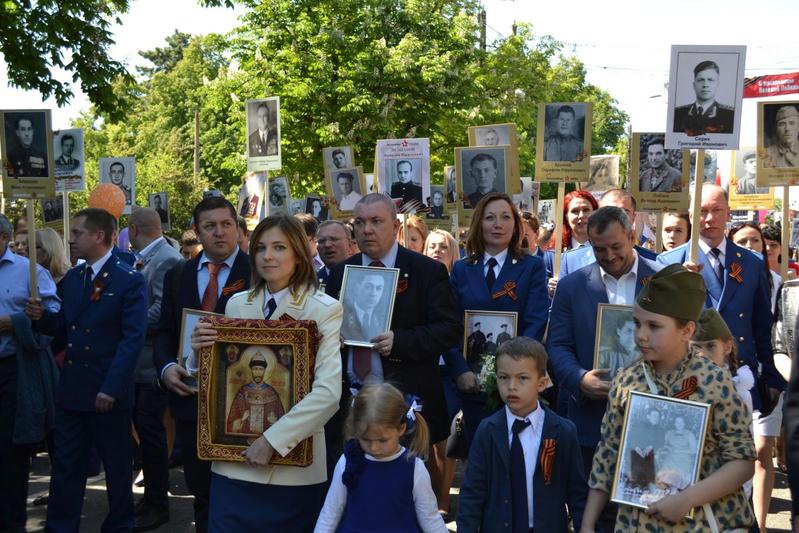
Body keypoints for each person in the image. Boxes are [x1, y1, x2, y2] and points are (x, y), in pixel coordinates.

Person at [191, 214, 343, 531]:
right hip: (234, 464)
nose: (268, 256)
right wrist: (199, 353)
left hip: (294, 471)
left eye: (279, 247)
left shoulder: (324, 308)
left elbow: (328, 394)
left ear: (299, 254)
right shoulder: (235, 304)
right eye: (260, 248)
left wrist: (272, 441)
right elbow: (222, 382)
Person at [581, 265, 756, 532]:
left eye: (654, 326)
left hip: (701, 523)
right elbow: (608, 452)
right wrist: (588, 522)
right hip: (636, 523)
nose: (641, 334)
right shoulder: (627, 380)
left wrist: (687, 499)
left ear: (687, 331)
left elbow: (743, 462)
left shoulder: (714, 381)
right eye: (637, 323)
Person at [658, 185, 783, 531]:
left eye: (715, 210)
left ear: (729, 213)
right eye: (701, 211)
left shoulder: (752, 262)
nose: (708, 219)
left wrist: (767, 379)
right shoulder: (669, 262)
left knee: (736, 468)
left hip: (737, 383)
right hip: (685, 386)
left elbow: (762, 327)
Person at [26, 207, 148, 532]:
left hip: (107, 392)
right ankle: (61, 527)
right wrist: (40, 318)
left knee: (117, 468)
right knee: (66, 467)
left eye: (78, 232)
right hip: (74, 389)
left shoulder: (129, 281)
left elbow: (131, 340)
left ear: (99, 236)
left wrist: (111, 387)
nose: (71, 239)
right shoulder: (75, 279)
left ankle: (120, 525)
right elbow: (67, 327)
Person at [325, 193, 462, 467]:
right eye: (360, 222)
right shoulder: (341, 273)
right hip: (349, 403)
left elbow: (449, 329)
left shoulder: (426, 271)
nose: (367, 229)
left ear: (396, 226)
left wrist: (400, 341)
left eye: (376, 221)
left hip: (404, 402)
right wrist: (331, 336)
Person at [547, 206, 662, 530]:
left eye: (616, 247)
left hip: (651, 419)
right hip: (590, 421)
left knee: (646, 511)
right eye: (600, 249)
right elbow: (557, 346)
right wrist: (579, 378)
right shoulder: (572, 286)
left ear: (631, 236)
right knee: (591, 515)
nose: (609, 256)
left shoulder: (664, 278)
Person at [154, 196, 250, 533]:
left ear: (237, 228)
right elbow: (164, 331)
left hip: (244, 406)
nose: (220, 233)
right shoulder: (177, 274)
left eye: (226, 225)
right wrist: (166, 368)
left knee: (244, 495)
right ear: (197, 231)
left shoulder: (259, 271)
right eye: (210, 226)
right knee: (203, 494)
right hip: (192, 403)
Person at [447, 193, 549, 446]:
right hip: (471, 383)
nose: (497, 224)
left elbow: (536, 321)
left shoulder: (532, 266)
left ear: (515, 225)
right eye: (490, 217)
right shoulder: (462, 268)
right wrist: (460, 369)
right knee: (478, 457)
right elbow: (449, 324)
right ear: (479, 224)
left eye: (505, 217)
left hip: (515, 382)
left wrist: (513, 369)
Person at [457, 338, 587, 532]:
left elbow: (577, 494)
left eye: (522, 378)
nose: (511, 386)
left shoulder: (563, 432)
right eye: (503, 377)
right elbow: (472, 494)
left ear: (542, 383)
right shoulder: (487, 431)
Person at [314, 383, 446, 532]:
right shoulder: (347, 461)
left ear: (401, 428)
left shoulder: (414, 468)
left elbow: (430, 518)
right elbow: (331, 512)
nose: (374, 448)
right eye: (365, 439)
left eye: (382, 440)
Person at [0, 214, 60, 532]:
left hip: (13, 373)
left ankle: (11, 522)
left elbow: (53, 318)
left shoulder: (30, 272)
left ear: (5, 237)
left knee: (11, 453)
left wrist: (18, 322)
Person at [128, 207, 182, 531]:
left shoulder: (166, 259)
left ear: (134, 230)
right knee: (145, 433)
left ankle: (158, 503)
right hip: (140, 363)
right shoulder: (150, 257)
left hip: (151, 364)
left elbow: (164, 309)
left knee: (152, 434)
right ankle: (151, 497)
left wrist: (128, 320)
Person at [692, 308, 755, 495]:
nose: (702, 355)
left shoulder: (738, 393)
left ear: (727, 347)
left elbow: (744, 453)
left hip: (727, 491)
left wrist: (742, 492)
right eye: (695, 348)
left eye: (711, 347)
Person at [422, 228, 460, 513]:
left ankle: (443, 498)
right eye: (432, 246)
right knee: (427, 438)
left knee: (446, 440)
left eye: (443, 247)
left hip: (451, 371)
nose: (437, 251)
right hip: (425, 366)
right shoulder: (420, 280)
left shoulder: (458, 283)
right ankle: (430, 497)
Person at [225, 350, 286, 434]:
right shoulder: (243, 392)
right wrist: (242, 419)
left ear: (264, 370)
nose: (258, 372)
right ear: (251, 370)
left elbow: (282, 421)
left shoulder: (271, 392)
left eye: (261, 369)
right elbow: (231, 423)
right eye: (255, 369)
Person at [673, 60, 735, 136]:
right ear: (694, 85)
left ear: (717, 84)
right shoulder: (677, 114)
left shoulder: (729, 115)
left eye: (710, 80)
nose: (705, 85)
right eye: (701, 80)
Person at [341, 271, 388, 345]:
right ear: (357, 288)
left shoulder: (383, 319)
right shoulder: (343, 315)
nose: (373, 294)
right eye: (368, 287)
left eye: (379, 288)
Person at [316, 220, 354, 284]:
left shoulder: (362, 277)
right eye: (322, 241)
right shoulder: (310, 283)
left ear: (349, 245)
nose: (327, 245)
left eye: (334, 239)